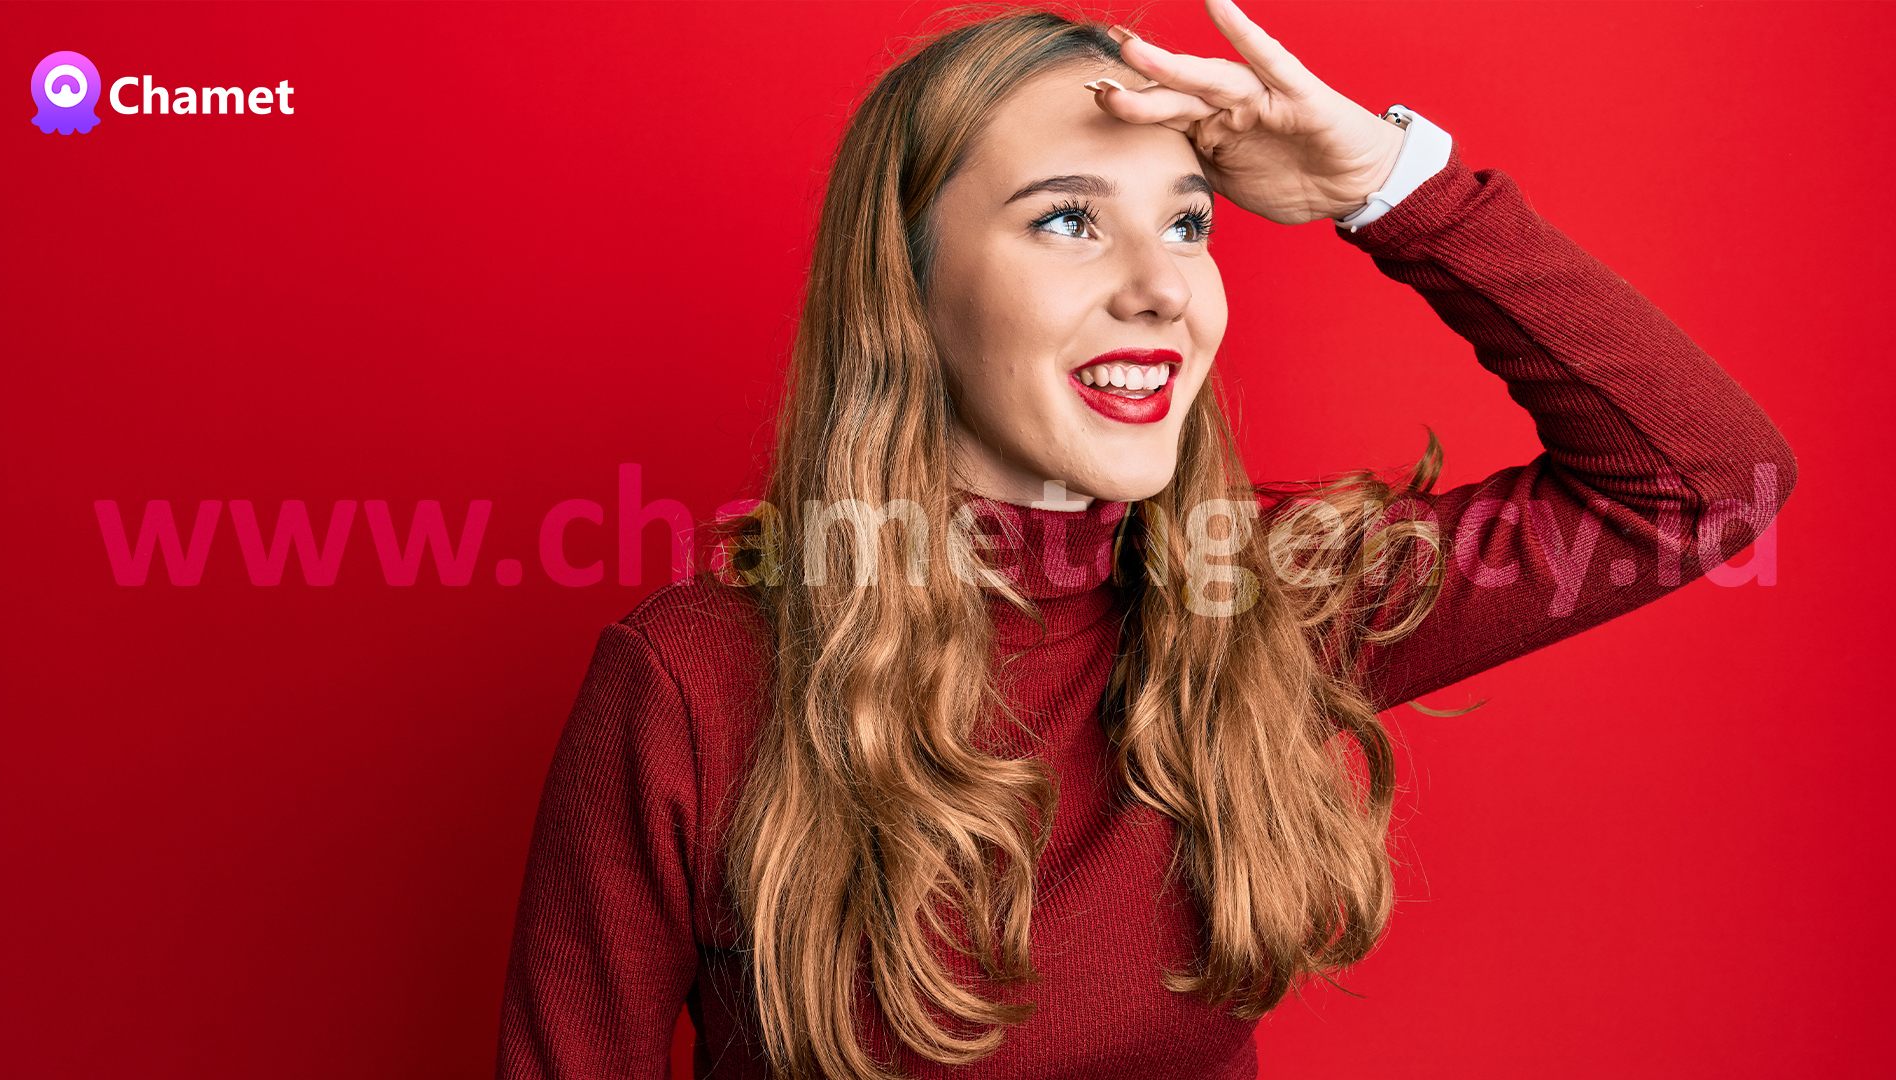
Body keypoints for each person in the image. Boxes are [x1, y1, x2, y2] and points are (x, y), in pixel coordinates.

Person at [496, 3, 1795, 1077]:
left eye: (1188, 223)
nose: (1164, 285)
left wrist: (1391, 188)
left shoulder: (1264, 599)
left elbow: (1704, 483)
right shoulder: (696, 684)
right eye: (1067, 218)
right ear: (909, 288)